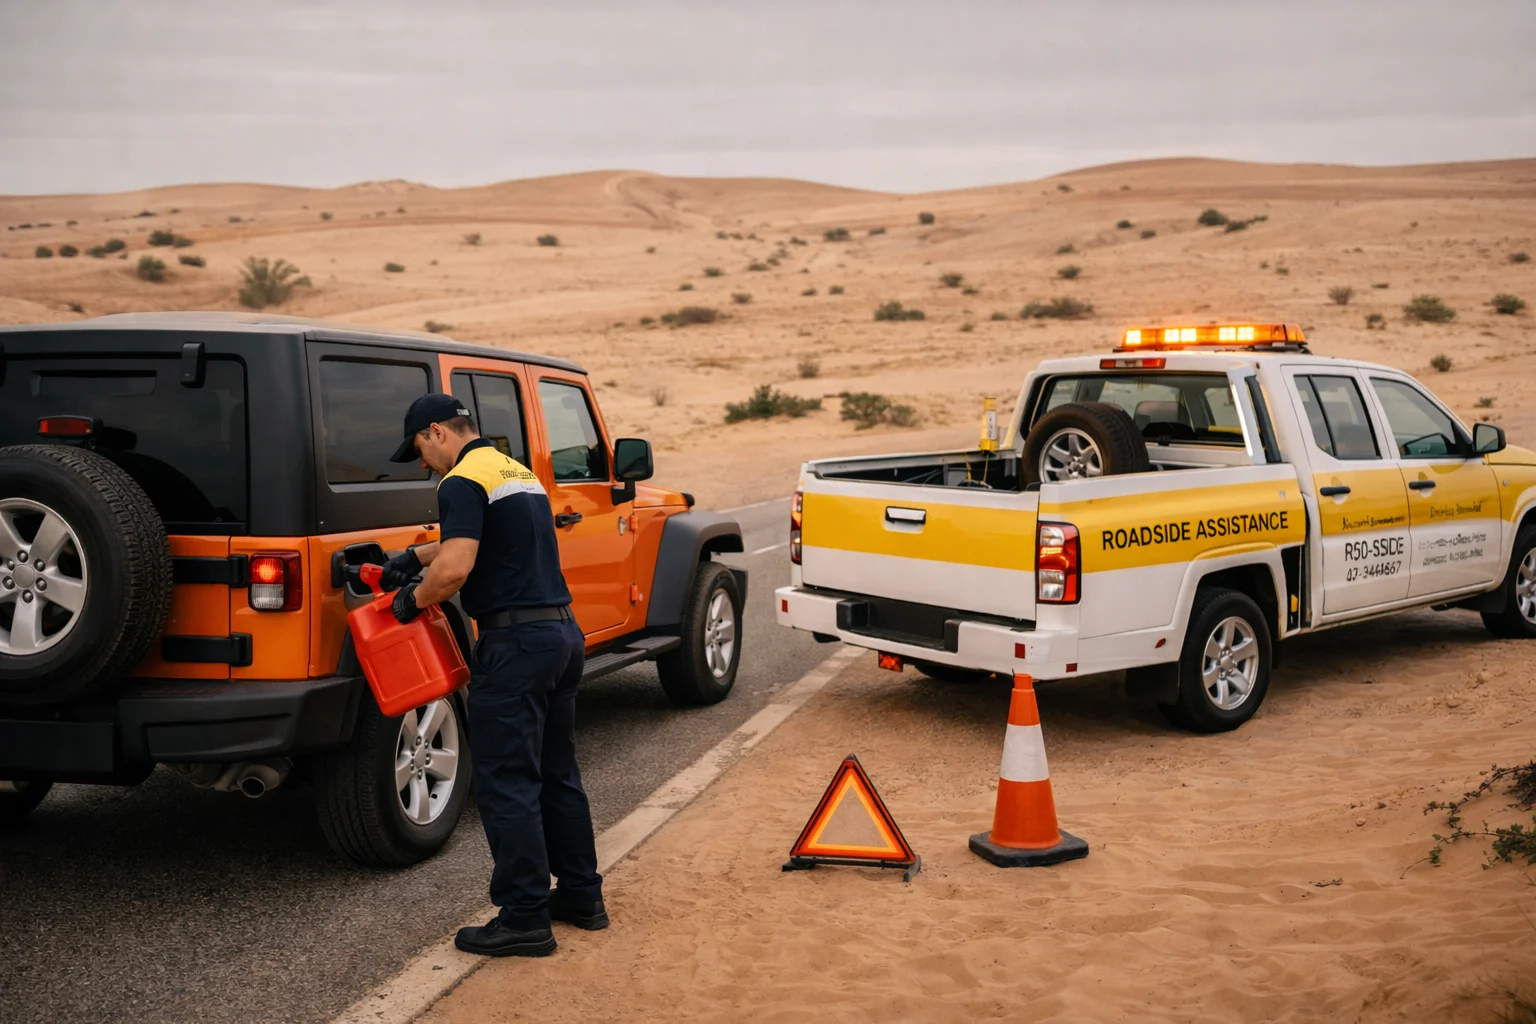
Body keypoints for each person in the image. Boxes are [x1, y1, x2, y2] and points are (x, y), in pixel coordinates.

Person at [381, 393, 606, 957]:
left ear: (436, 432)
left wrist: (410, 598)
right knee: (557, 774)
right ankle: (581, 895)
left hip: (515, 645)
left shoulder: (458, 480)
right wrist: (416, 556)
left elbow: (458, 568)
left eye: (419, 452)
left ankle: (525, 916)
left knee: (508, 784)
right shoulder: (513, 470)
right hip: (561, 635)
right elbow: (486, 542)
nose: (424, 465)